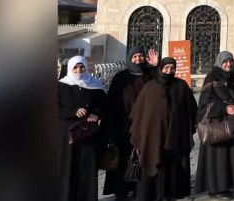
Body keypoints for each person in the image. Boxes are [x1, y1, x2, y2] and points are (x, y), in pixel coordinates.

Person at [128, 57, 198, 201]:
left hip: (175, 136)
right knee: (154, 162)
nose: (169, 71)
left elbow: (191, 109)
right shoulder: (150, 88)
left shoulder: (181, 86)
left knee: (172, 166)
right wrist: (141, 135)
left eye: (172, 68)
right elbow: (139, 113)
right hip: (153, 136)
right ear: (160, 69)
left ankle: (169, 194)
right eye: (166, 68)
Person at [103, 47, 159, 200]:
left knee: (143, 159)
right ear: (129, 58)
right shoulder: (120, 78)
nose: (138, 60)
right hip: (123, 126)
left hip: (145, 126)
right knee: (123, 160)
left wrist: (156, 66)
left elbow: (163, 82)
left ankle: (140, 190)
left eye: (141, 56)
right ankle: (121, 191)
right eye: (135, 57)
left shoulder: (150, 75)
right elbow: (111, 104)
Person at [194, 52, 234, 199]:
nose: (228, 64)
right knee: (216, 159)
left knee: (228, 158)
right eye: (225, 62)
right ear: (219, 62)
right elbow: (204, 103)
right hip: (216, 125)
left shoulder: (230, 77)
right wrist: (224, 108)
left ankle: (225, 186)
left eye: (230, 61)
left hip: (229, 126)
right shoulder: (212, 77)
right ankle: (215, 189)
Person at [58, 56, 107, 201]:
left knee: (87, 167)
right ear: (69, 68)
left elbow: (104, 106)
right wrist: (73, 112)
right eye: (75, 67)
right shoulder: (61, 86)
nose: (79, 70)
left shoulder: (95, 85)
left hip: (87, 134)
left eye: (82, 67)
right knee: (67, 167)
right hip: (67, 135)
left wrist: (95, 114)